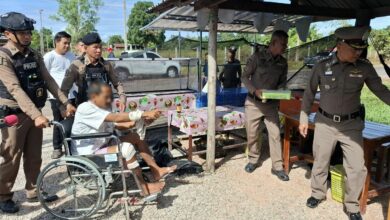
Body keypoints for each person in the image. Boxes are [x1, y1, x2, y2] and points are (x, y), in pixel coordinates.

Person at [299, 26, 390, 220]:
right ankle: (318, 193)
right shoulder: (322, 66)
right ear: (340, 45)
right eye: (354, 48)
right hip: (324, 122)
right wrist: (303, 116)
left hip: (351, 126)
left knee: (357, 167)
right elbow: (308, 92)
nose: (359, 52)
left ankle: (352, 205)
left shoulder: (364, 67)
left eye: (361, 48)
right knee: (321, 160)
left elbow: (380, 90)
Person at [0, 12, 76, 213]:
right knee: (12, 156)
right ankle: (3, 196)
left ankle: (33, 190)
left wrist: (65, 102)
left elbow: (49, 80)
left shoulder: (33, 54)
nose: (27, 36)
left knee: (34, 156)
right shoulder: (3, 57)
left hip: (34, 112)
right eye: (22, 33)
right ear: (8, 34)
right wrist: (37, 115)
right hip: (14, 114)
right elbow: (15, 88)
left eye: (28, 32)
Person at [71, 82, 165, 196]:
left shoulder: (102, 108)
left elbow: (118, 124)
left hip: (103, 144)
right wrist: (142, 113)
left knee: (135, 137)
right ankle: (144, 188)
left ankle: (156, 171)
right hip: (91, 154)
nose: (109, 100)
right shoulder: (86, 108)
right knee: (127, 149)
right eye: (106, 97)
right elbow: (116, 117)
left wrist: (142, 121)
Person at [241, 30, 289, 181]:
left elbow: (282, 82)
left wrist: (282, 91)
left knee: (275, 134)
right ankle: (253, 159)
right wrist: (254, 91)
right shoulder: (257, 57)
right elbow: (244, 76)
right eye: (283, 44)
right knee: (252, 133)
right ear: (273, 43)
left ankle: (277, 167)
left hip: (271, 105)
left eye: (286, 44)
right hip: (253, 103)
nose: (285, 47)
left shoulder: (283, 62)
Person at [61, 32, 126, 111]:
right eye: (95, 47)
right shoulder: (77, 65)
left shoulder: (106, 65)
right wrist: (65, 106)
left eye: (100, 47)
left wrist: (122, 98)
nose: (99, 50)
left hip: (105, 109)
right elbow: (64, 89)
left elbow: (117, 84)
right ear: (85, 48)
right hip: (85, 110)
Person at [43, 31, 76, 159]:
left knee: (72, 121)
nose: (67, 46)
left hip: (72, 94)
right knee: (58, 122)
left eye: (69, 43)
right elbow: (45, 77)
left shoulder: (71, 56)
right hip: (56, 96)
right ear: (56, 42)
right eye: (65, 43)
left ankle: (71, 146)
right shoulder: (49, 57)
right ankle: (57, 148)